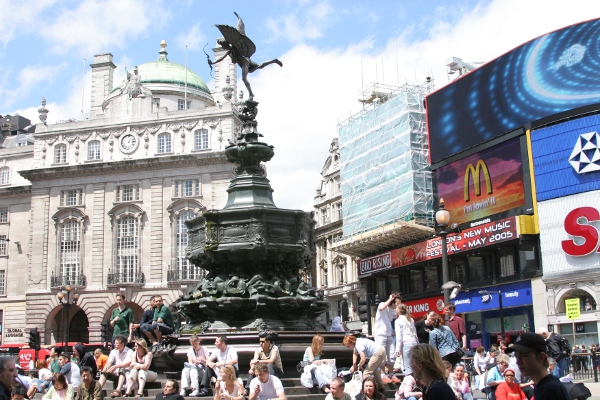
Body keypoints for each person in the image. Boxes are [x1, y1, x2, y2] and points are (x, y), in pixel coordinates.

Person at [211, 12, 282, 100]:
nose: (223, 47)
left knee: (244, 79)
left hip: (244, 62)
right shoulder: (231, 50)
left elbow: (222, 57)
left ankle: (251, 94)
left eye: (223, 45)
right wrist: (212, 62)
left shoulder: (232, 49)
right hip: (246, 60)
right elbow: (221, 58)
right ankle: (273, 61)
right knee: (259, 66)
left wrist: (212, 62)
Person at [507, 333, 570, 400]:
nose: (518, 362)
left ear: (541, 357)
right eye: (516, 356)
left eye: (524, 355)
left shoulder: (550, 389)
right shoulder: (542, 385)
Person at [374, 294, 398, 380]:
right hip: (380, 333)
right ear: (392, 302)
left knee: (392, 353)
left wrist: (394, 330)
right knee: (382, 353)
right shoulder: (382, 304)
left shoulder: (393, 311)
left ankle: (391, 373)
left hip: (389, 333)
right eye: (396, 303)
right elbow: (381, 308)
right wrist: (390, 299)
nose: (397, 306)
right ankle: (383, 374)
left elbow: (393, 320)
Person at [396, 304, 418, 376]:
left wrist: (398, 349)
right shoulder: (411, 319)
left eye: (396, 308)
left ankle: (410, 381)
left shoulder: (398, 321)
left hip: (406, 343)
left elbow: (399, 336)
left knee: (407, 364)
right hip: (414, 342)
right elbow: (415, 332)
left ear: (399, 310)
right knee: (414, 363)